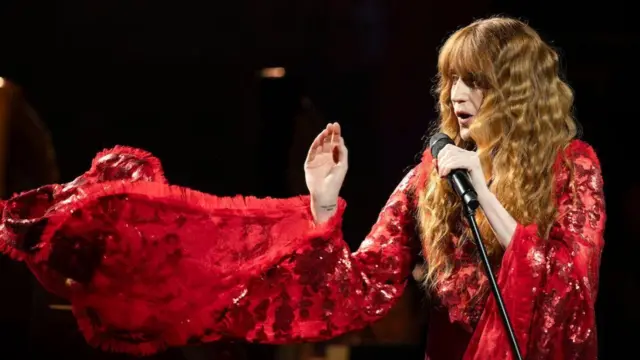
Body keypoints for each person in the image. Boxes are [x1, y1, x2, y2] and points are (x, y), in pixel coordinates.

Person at [0, 16, 604, 360]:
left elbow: (569, 284)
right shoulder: (434, 174)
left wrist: (486, 193)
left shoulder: (573, 167)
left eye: (474, 81)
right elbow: (360, 287)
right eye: (450, 82)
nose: (455, 97)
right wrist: (320, 203)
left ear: (518, 90)